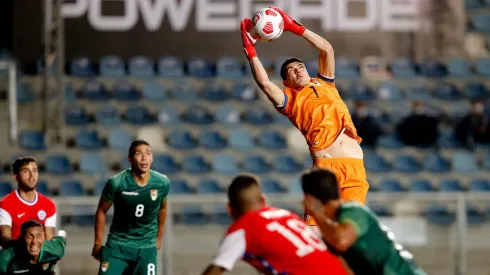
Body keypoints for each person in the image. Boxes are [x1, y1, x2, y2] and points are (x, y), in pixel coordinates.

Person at [240, 6, 369, 227]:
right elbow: (264, 82)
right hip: (325, 171)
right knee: (313, 235)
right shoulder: (289, 100)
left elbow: (327, 49)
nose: (298, 70)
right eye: (291, 70)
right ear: (286, 82)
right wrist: (251, 50)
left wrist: (294, 28)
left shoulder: (326, 83)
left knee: (351, 235)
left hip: (355, 169)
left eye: (300, 66)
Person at [200, 174, 348, 275]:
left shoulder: (243, 229)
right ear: (263, 201)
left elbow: (215, 270)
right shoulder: (286, 215)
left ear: (229, 209)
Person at [301, 168, 427, 275]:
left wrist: (317, 213)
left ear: (310, 198)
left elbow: (341, 240)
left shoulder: (353, 211)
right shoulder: (331, 229)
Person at [92, 140, 170, 275]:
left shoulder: (162, 183)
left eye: (148, 153)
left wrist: (159, 237)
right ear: (130, 158)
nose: (144, 158)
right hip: (118, 245)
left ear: (152, 158)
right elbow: (101, 210)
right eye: (139, 154)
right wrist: (98, 242)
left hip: (146, 247)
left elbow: (162, 209)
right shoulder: (117, 183)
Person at [0, 157, 57, 247]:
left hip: (39, 260)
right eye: (26, 171)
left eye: (35, 170)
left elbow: (49, 240)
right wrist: (26, 248)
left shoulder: (49, 205)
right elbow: (4, 238)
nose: (32, 175)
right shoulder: (6, 204)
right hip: (14, 258)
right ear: (16, 176)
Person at [0, 220, 66, 275]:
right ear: (22, 238)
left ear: (43, 236)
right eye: (30, 236)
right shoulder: (6, 258)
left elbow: (62, 235)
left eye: (38, 235)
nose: (34, 241)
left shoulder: (56, 250)